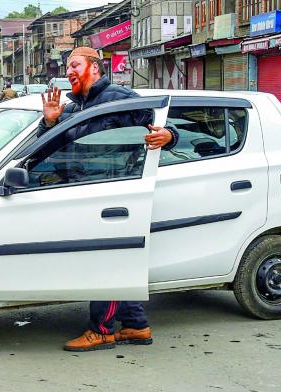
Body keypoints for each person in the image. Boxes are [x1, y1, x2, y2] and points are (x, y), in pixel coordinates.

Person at [39, 46, 179, 352]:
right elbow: (48, 147)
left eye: (74, 65)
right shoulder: (73, 106)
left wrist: (170, 134)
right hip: (82, 192)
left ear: (95, 68)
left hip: (111, 192)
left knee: (105, 262)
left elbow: (157, 119)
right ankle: (135, 326)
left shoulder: (116, 98)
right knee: (112, 258)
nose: (69, 71)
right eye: (67, 67)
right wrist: (49, 122)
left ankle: (101, 330)